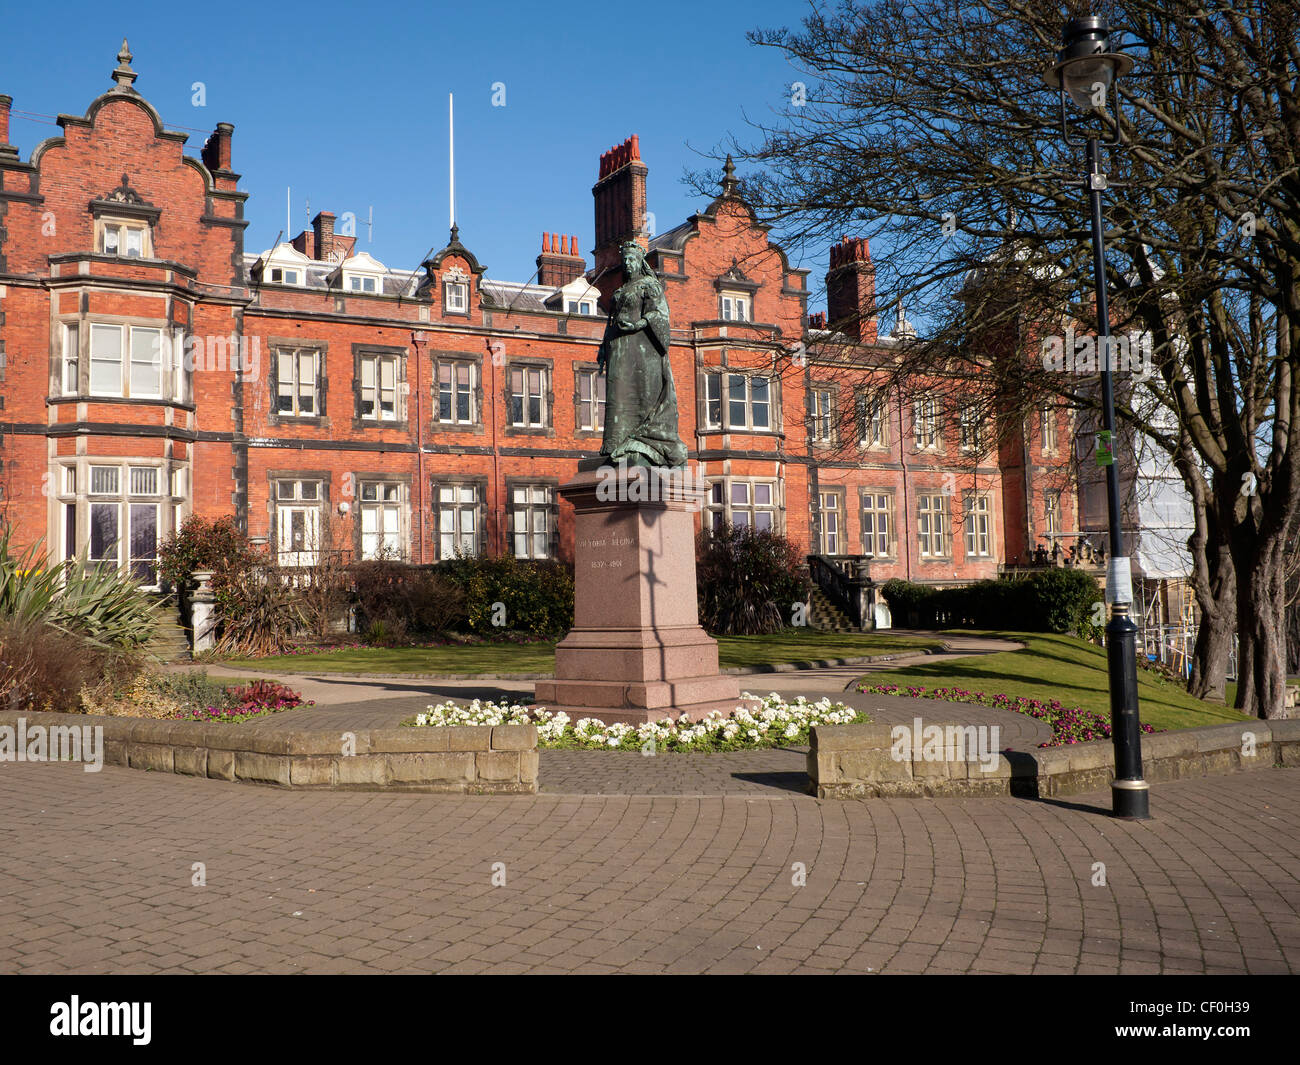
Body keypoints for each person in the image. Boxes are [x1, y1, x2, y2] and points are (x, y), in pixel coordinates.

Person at [597, 241, 688, 468]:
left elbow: (660, 314)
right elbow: (610, 323)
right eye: (625, 260)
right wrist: (603, 347)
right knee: (618, 392)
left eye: (631, 260)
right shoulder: (620, 290)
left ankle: (644, 441)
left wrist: (639, 323)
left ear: (640, 262)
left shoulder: (650, 286)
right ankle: (615, 443)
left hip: (643, 347)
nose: (627, 264)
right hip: (619, 348)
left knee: (643, 394)